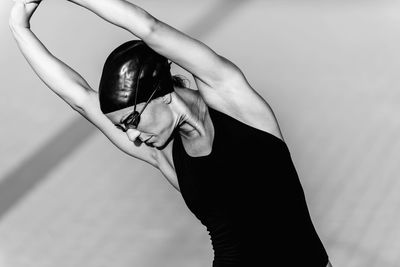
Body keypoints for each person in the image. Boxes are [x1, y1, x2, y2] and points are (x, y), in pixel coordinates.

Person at [9, 0, 332, 266]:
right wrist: (19, 28)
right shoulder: (163, 152)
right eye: (124, 128)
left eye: (133, 120)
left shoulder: (237, 105)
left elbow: (149, 28)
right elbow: (79, 97)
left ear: (163, 94)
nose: (132, 136)